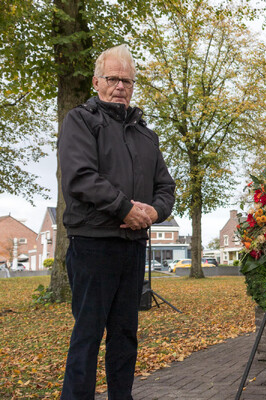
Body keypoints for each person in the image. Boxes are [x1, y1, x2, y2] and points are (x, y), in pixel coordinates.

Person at [58, 44, 175, 399]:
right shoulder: (80, 120)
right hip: (93, 243)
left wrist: (153, 212)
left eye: (127, 80)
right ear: (97, 81)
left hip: (132, 247)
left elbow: (166, 188)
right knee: (88, 335)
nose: (120, 86)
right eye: (113, 78)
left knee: (125, 335)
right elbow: (80, 176)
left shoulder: (145, 135)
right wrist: (124, 208)